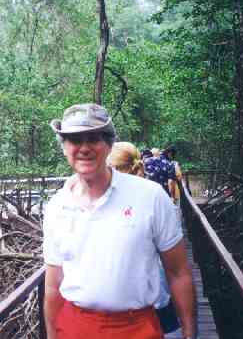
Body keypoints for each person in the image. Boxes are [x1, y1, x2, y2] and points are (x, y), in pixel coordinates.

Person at [43, 103, 196, 339]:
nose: (84, 148)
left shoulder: (150, 196)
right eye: (74, 140)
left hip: (137, 328)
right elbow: (53, 284)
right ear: (64, 147)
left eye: (93, 138)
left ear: (109, 145)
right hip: (74, 327)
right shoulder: (55, 206)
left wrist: (189, 332)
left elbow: (178, 272)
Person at [108, 142, 181, 335]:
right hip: (157, 292)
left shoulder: (130, 199)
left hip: (135, 304)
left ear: (114, 167)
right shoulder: (153, 193)